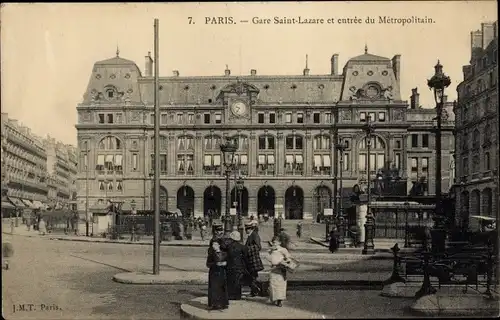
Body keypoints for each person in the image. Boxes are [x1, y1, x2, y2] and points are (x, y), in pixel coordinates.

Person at [267, 237, 292, 307]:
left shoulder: (283, 250)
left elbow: (288, 258)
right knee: (272, 285)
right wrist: (270, 252)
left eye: (275, 242)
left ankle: (279, 300)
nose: (274, 244)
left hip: (280, 270)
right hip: (273, 269)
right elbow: (268, 258)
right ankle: (274, 298)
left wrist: (285, 262)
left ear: (279, 243)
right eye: (273, 242)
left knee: (280, 286)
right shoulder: (271, 250)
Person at [206, 237, 229, 310]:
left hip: (222, 273)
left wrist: (225, 264)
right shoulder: (211, 254)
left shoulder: (224, 253)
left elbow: (229, 263)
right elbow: (208, 264)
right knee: (214, 288)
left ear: (219, 245)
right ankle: (214, 304)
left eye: (215, 244)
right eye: (212, 244)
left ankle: (223, 303)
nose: (213, 246)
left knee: (222, 288)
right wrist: (216, 264)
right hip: (213, 273)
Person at [226, 231, 249, 300]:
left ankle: (230, 295)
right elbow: (245, 257)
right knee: (238, 281)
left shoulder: (228, 247)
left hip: (230, 266)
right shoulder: (242, 247)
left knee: (230, 280)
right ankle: (237, 295)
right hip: (239, 266)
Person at [244, 221, 264, 297]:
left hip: (253, 259)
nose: (245, 231)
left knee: (252, 276)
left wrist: (247, 249)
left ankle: (256, 290)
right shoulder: (251, 235)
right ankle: (255, 290)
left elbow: (258, 247)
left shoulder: (254, 235)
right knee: (252, 276)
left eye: (246, 229)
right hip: (250, 259)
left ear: (249, 229)